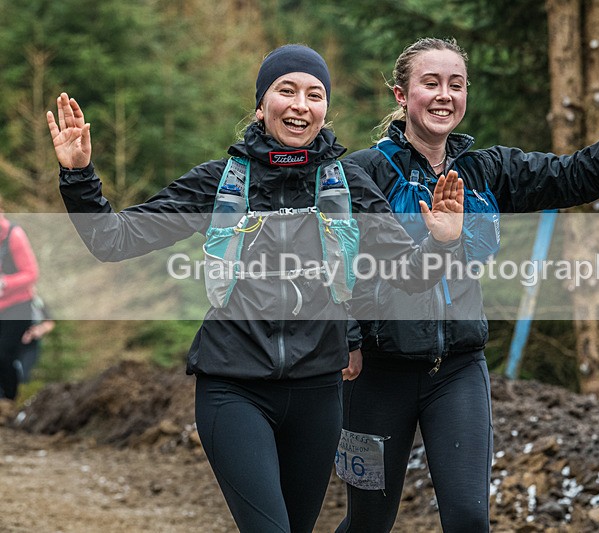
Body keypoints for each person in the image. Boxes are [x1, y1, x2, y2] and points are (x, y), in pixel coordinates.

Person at [47, 44, 464, 533]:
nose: (300, 105)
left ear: (326, 107)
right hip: (233, 386)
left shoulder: (347, 183)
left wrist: (442, 243)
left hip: (318, 392)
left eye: (314, 94)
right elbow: (112, 240)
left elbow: (412, 276)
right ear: (262, 103)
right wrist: (78, 176)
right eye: (285, 90)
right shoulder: (220, 182)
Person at [337, 37, 599, 532]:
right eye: (430, 83)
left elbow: (568, 177)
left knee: (470, 519)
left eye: (456, 84)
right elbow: (338, 265)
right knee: (368, 524)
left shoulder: (485, 171)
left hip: (458, 371)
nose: (444, 94)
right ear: (401, 95)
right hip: (377, 376)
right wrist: (348, 338)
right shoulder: (361, 174)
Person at [0, 200, 40, 401]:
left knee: (4, 354)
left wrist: (5, 283)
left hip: (18, 305)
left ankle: (9, 402)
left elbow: (31, 273)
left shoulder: (14, 235)